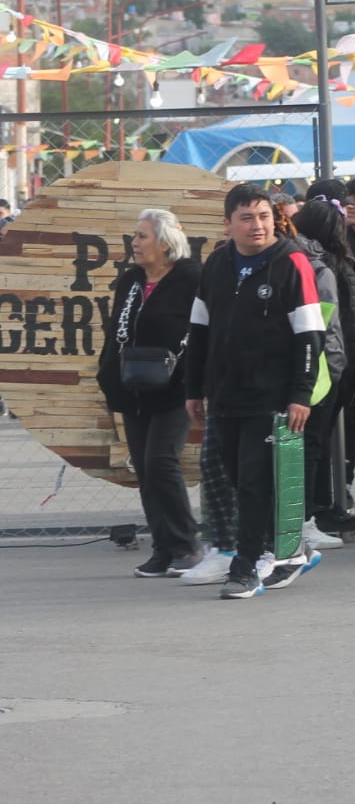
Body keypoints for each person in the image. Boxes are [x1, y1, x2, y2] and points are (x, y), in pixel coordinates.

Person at [186, 184, 326, 599]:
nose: (257, 225)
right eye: (246, 218)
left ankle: (245, 566)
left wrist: (301, 393)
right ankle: (288, 549)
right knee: (234, 476)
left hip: (273, 395)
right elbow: (199, 330)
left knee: (254, 479)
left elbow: (310, 333)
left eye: (264, 216)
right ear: (227, 224)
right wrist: (194, 387)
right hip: (226, 394)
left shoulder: (291, 262)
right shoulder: (215, 265)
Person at [96, 208, 204, 577]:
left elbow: (201, 331)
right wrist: (107, 373)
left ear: (164, 241)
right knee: (143, 468)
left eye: (142, 236)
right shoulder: (131, 280)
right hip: (133, 387)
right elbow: (117, 330)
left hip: (176, 387)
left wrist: (197, 380)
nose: (135, 243)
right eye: (135, 236)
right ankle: (163, 547)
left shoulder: (192, 277)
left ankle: (187, 545)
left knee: (161, 462)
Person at [291, 200, 355, 538]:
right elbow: (335, 322)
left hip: (332, 362)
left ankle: (322, 508)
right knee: (312, 445)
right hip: (325, 364)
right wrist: (338, 366)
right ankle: (310, 515)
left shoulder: (316, 259)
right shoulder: (321, 263)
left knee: (318, 443)